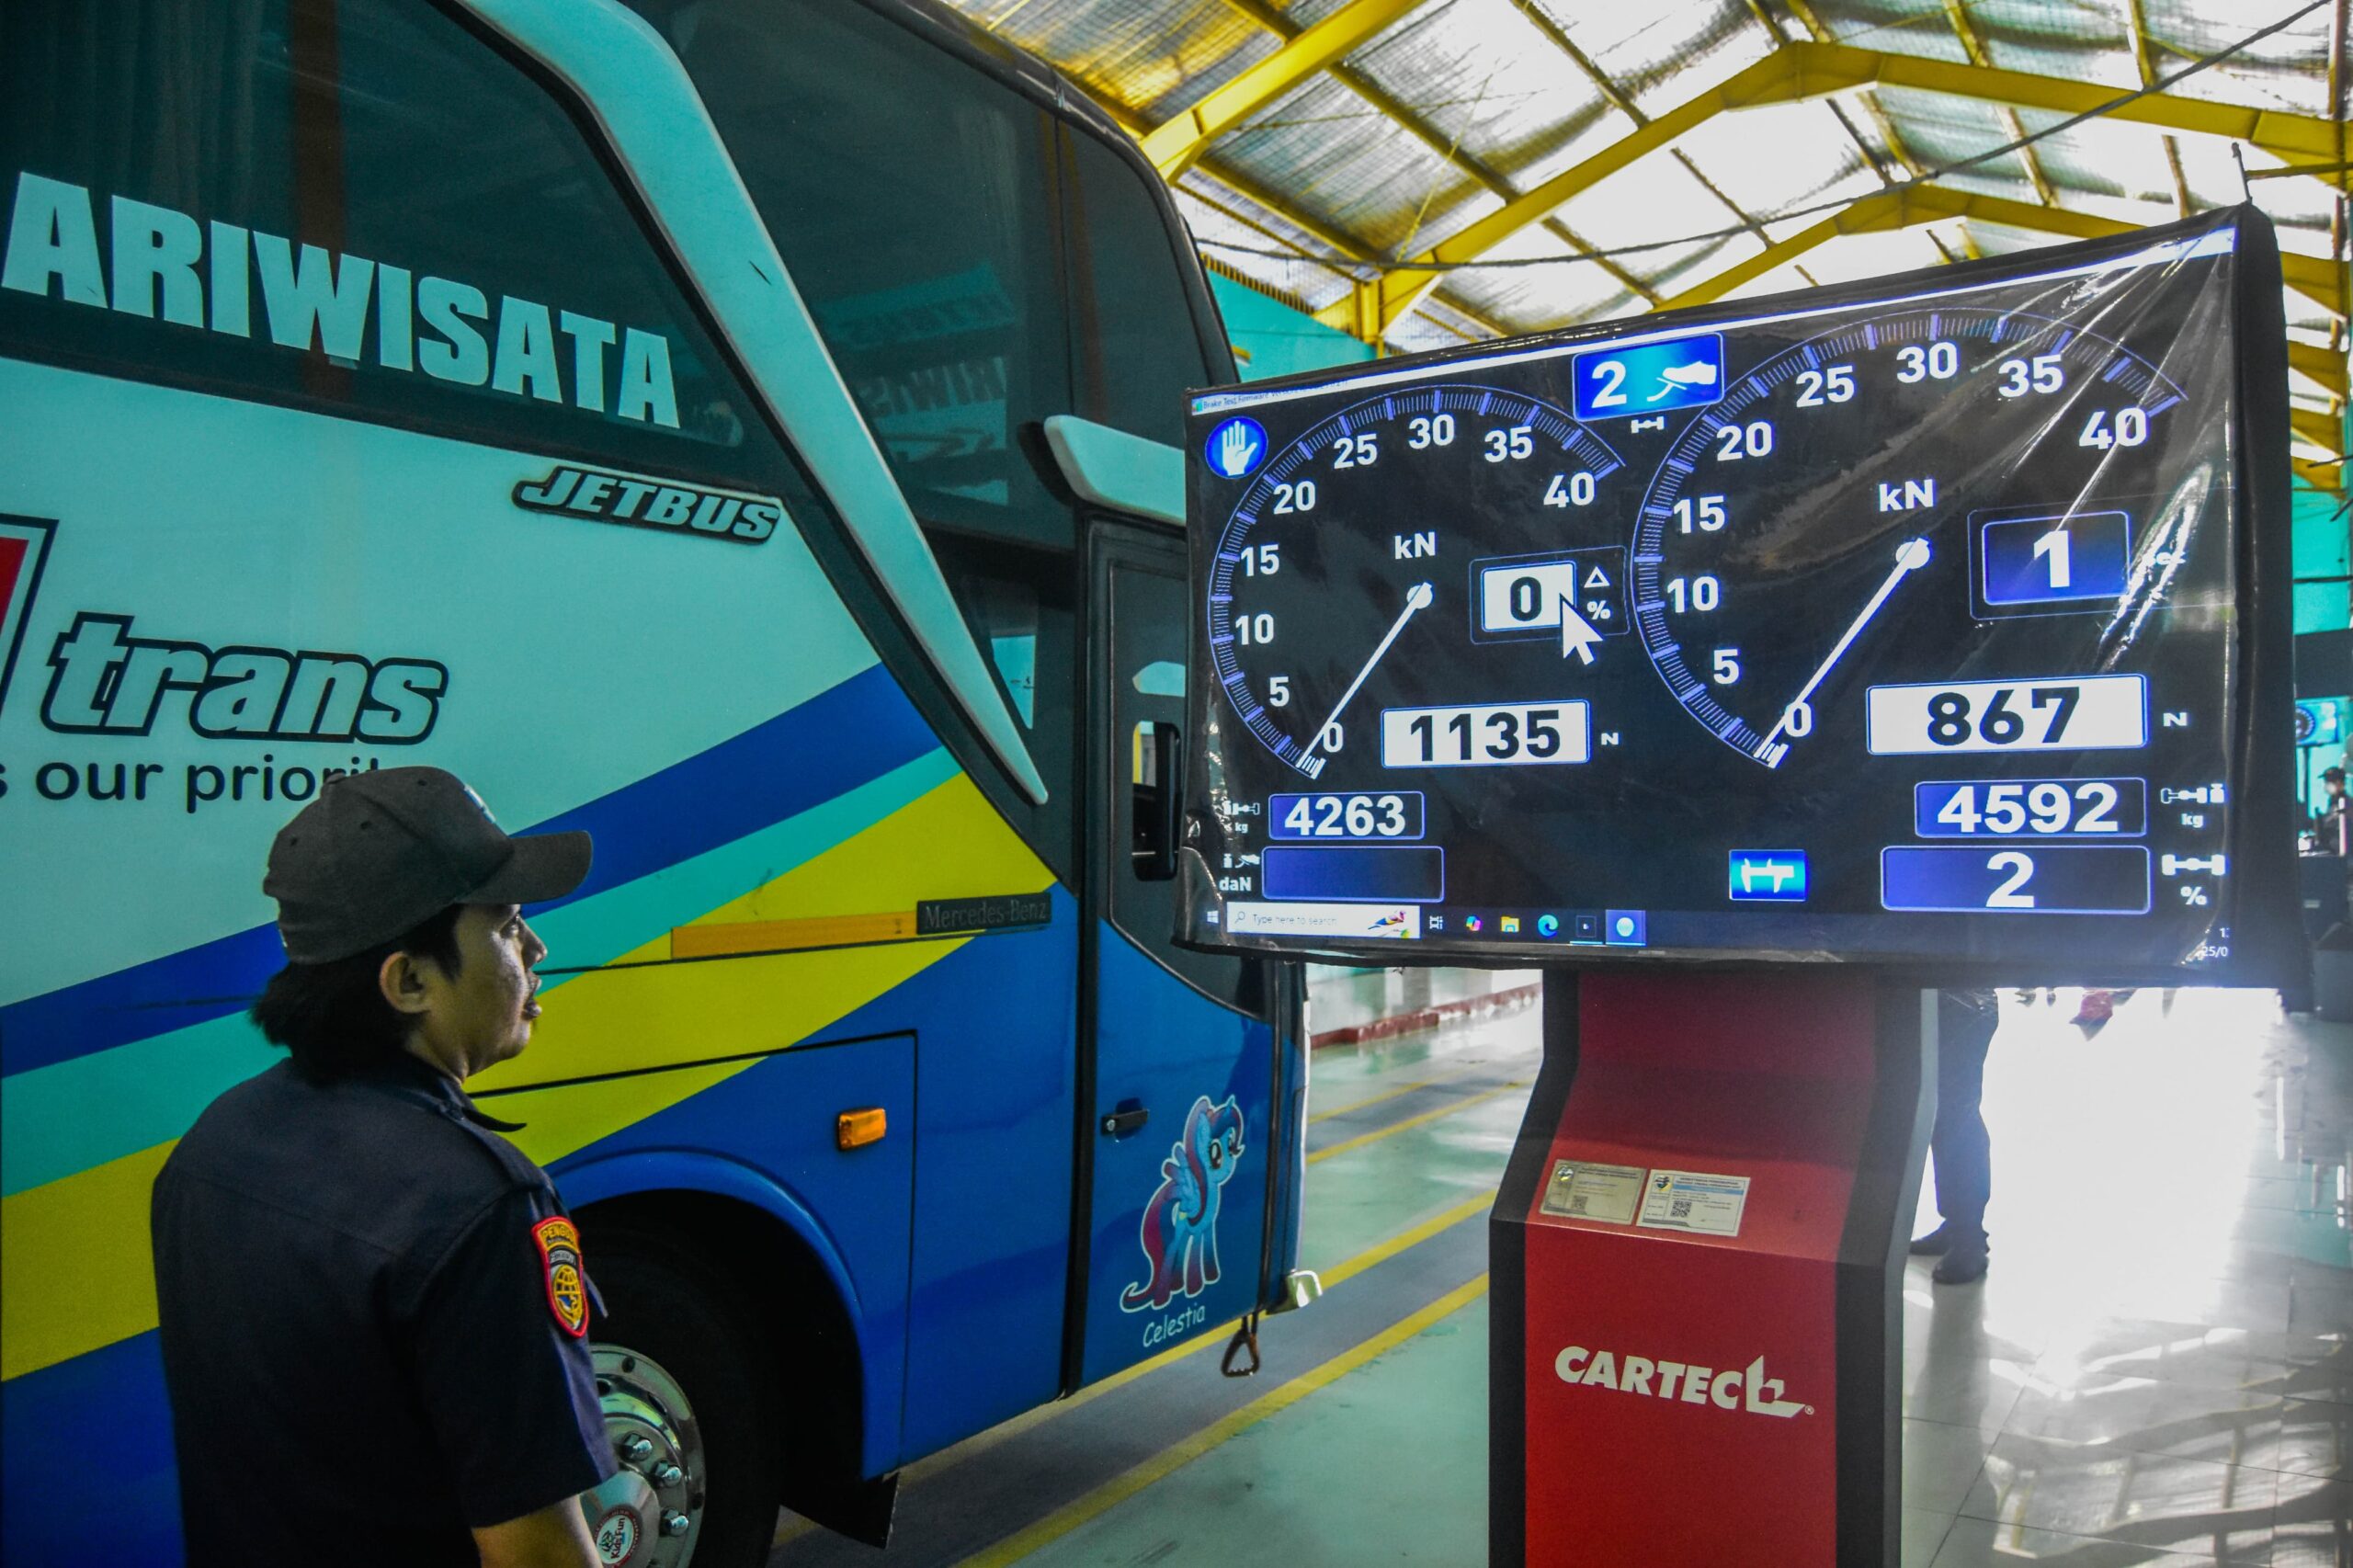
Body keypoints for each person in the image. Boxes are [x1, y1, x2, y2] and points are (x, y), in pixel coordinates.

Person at [151, 767, 612, 1568]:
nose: (535, 948)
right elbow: (538, 1555)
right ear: (409, 981)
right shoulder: (479, 1208)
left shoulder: (212, 1146)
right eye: (506, 926)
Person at [1909, 989, 1999, 1285]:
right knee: (1942, 1117)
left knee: (1956, 1115)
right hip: (1932, 998)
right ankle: (1957, 1225)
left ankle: (1969, 1236)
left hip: (1962, 1002)